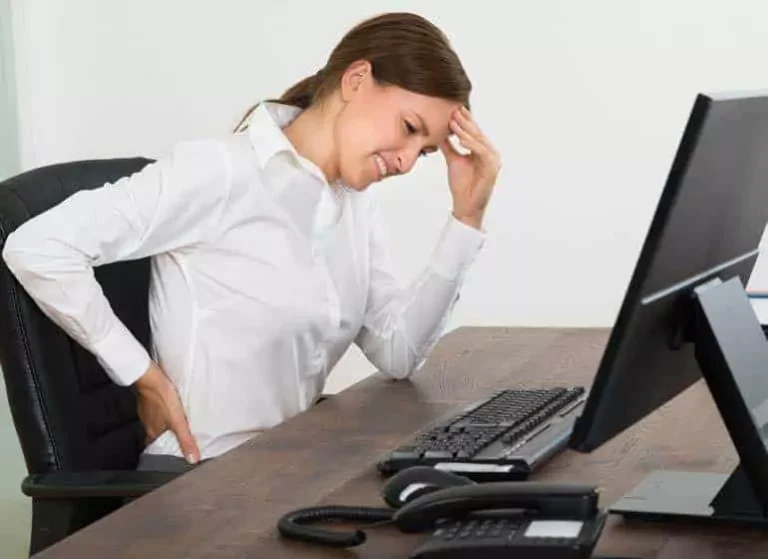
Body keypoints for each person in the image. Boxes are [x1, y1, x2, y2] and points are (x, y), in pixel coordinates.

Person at [2, 12, 501, 472]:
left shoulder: (353, 201)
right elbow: (38, 246)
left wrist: (467, 216)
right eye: (409, 129)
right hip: (199, 482)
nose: (408, 161)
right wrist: (142, 375)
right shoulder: (222, 171)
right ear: (356, 80)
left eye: (426, 151)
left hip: (284, 469)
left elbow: (398, 352)